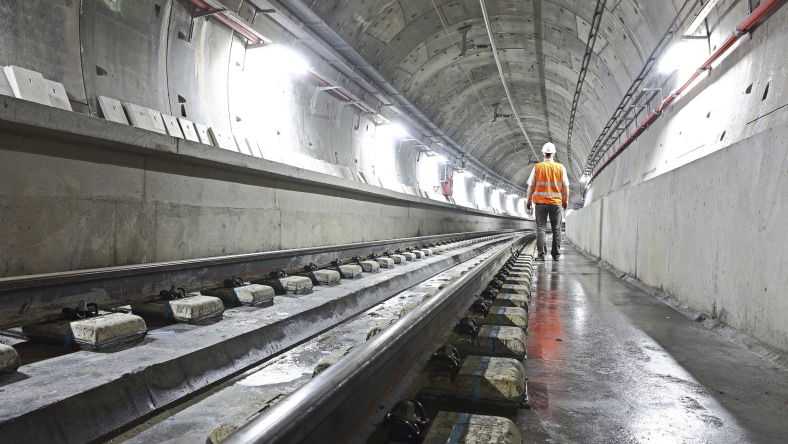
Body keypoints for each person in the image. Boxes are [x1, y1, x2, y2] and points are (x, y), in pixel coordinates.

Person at [526, 142, 569, 261]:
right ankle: (556, 255)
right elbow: (565, 186)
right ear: (554, 154)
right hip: (556, 203)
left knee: (541, 228)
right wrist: (565, 200)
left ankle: (541, 255)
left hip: (540, 203)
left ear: (543, 154)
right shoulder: (561, 168)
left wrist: (528, 200)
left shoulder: (537, 167)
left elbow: (531, 186)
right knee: (556, 229)